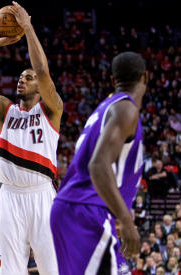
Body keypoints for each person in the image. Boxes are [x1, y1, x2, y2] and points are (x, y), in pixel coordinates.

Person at [0, 1, 62, 275]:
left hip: (42, 195)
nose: (22, 79)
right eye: (20, 76)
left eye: (27, 78)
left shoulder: (52, 110)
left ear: (40, 90)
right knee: (9, 271)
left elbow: (42, 72)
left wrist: (28, 28)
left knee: (53, 269)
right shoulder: (5, 109)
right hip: (9, 198)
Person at [51, 51, 147, 274]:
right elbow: (98, 165)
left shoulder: (105, 108)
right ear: (146, 77)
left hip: (72, 208)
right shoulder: (126, 109)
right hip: (88, 210)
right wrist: (126, 220)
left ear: (113, 81)